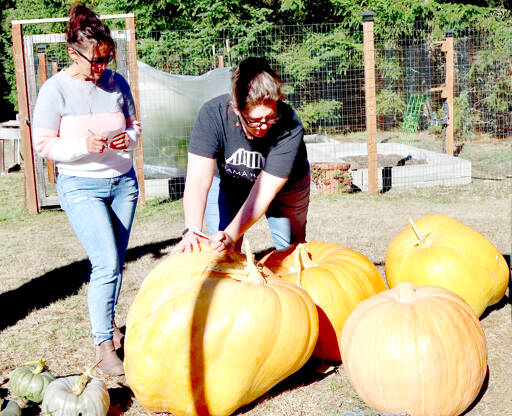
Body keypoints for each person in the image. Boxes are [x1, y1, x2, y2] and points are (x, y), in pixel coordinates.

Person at [32, 3, 140, 376]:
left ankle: (108, 323)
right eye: (93, 61)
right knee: (106, 262)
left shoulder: (116, 83)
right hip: (81, 186)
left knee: (115, 263)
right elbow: (43, 144)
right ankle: (103, 344)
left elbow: (134, 125)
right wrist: (82, 147)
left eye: (105, 60)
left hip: (123, 184)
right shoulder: (54, 90)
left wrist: (129, 138)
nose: (100, 68)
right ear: (71, 52)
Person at [172, 56, 310, 255]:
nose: (263, 126)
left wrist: (232, 233)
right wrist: (192, 230)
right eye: (254, 120)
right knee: (223, 250)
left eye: (270, 118)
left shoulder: (290, 125)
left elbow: (264, 191)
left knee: (292, 251)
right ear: (236, 109)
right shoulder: (213, 115)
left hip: (286, 187)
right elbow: (198, 179)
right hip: (230, 182)